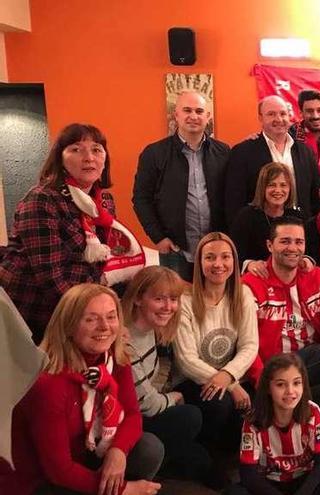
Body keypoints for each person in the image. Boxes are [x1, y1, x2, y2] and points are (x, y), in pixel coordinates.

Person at [6, 284, 163, 495]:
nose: (104, 327)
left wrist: (118, 452)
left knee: (149, 448)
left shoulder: (115, 359)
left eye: (111, 316)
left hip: (86, 452)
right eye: (91, 319)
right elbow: (58, 471)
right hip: (42, 480)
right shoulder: (47, 383)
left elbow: (133, 415)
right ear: (69, 325)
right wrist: (126, 490)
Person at [1, 123, 144, 341]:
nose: (89, 157)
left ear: (105, 159)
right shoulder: (42, 199)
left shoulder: (103, 202)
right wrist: (100, 319)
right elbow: (52, 280)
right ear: (60, 159)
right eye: (76, 149)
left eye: (96, 149)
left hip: (85, 302)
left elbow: (103, 260)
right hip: (39, 313)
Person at [242, 216, 320, 426]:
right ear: (270, 245)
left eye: (299, 242)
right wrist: (262, 382)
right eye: (285, 241)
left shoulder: (314, 274)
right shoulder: (251, 283)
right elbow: (246, 342)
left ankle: (305, 413)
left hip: (307, 359)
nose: (293, 248)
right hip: (271, 364)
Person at [121, 267, 212, 485]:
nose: (169, 307)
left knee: (202, 457)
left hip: (151, 401)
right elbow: (146, 404)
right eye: (159, 299)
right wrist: (173, 398)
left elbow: (159, 376)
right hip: (129, 420)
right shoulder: (126, 341)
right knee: (190, 417)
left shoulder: (151, 327)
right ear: (137, 299)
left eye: (173, 299)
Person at [172, 232, 259, 451]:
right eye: (210, 257)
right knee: (221, 404)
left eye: (225, 257)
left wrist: (229, 376)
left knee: (259, 402)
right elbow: (186, 360)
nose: (218, 264)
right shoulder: (186, 300)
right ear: (199, 262)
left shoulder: (244, 295)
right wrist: (230, 384)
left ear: (234, 261)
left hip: (231, 375)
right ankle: (205, 457)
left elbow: (250, 345)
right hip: (195, 380)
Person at [134, 91, 229, 282]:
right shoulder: (154, 153)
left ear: (207, 117)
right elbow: (141, 199)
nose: (193, 116)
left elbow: (233, 196)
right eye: (187, 110)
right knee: (176, 306)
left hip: (216, 250)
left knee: (214, 305)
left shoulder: (224, 152)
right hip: (175, 249)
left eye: (199, 111)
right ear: (176, 115)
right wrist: (158, 237)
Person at [232, 353, 320, 495]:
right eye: (281, 384)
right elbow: (248, 475)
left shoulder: (312, 411)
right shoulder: (254, 419)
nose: (290, 391)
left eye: (296, 383)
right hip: (268, 484)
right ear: (268, 388)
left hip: (303, 480)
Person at [224, 95, 320, 227]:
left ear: (289, 116)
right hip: (259, 232)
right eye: (271, 114)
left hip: (300, 232)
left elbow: (315, 196)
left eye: (283, 113)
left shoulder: (305, 152)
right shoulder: (242, 152)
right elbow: (234, 201)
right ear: (260, 118)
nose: (279, 119)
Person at [229, 162, 305, 273]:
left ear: (290, 188)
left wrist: (307, 259)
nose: (278, 190)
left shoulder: (297, 216)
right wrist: (249, 264)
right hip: (256, 278)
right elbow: (232, 255)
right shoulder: (246, 217)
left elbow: (306, 251)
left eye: (283, 185)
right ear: (262, 188)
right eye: (272, 185)